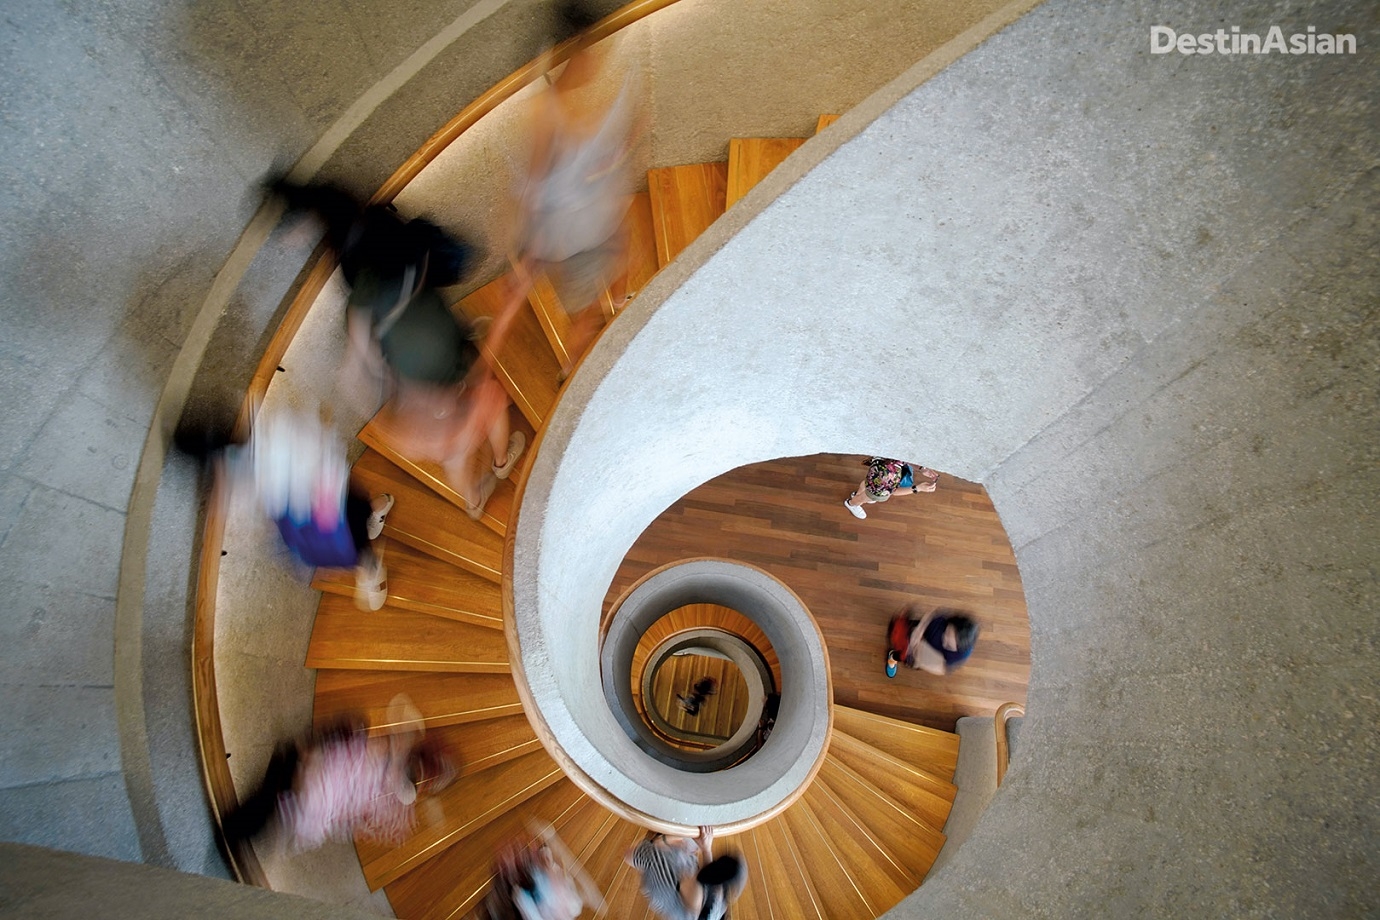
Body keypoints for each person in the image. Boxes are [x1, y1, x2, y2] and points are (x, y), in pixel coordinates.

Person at [517, 1, 643, 376]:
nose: (598, 60)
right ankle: (572, 371)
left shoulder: (577, 101)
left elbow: (583, 163)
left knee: (626, 254)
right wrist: (532, 245)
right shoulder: (545, 113)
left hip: (600, 213)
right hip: (575, 237)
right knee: (586, 311)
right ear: (572, 52)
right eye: (592, 51)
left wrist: (619, 148)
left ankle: (619, 304)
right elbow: (538, 184)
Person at [223, 695, 456, 853]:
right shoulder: (397, 783)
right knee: (271, 805)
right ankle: (244, 824)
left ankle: (243, 823)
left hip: (317, 784)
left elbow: (399, 712)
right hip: (318, 790)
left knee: (269, 804)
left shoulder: (395, 775)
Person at [627, 826, 746, 920]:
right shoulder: (719, 893)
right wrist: (706, 849)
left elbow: (686, 878)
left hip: (669, 889)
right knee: (687, 844)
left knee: (635, 854)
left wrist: (664, 840)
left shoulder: (695, 895)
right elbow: (709, 877)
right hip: (691, 890)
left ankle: (652, 843)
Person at [886, 607, 980, 677]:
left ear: (959, 648)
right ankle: (893, 657)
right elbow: (932, 615)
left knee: (904, 656)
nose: (944, 640)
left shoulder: (959, 656)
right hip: (923, 632)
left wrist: (917, 651)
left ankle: (893, 657)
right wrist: (919, 631)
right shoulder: (945, 620)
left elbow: (941, 668)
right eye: (946, 633)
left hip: (924, 653)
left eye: (949, 645)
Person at [844, 457, 938, 519]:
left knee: (867, 483)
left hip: (877, 473)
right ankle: (852, 503)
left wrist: (922, 468)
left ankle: (858, 494)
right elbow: (893, 491)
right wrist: (918, 488)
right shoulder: (888, 477)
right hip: (881, 482)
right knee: (865, 497)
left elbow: (903, 458)